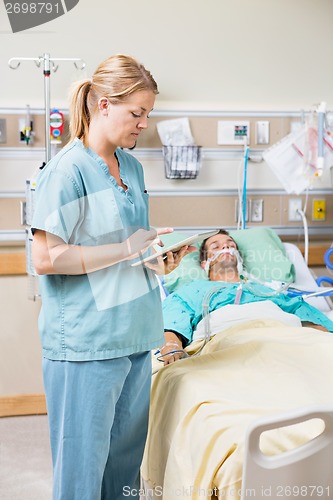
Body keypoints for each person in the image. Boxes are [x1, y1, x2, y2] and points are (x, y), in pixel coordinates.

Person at [31, 54, 191, 500]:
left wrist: (155, 261)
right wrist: (125, 249)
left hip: (136, 337)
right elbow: (47, 257)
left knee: (123, 472)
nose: (143, 124)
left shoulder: (133, 169)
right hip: (86, 345)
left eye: (148, 115)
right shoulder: (67, 171)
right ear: (103, 104)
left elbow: (127, 250)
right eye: (136, 113)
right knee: (82, 474)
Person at [160, 229, 333, 365]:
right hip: (229, 348)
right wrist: (172, 348)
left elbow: (309, 319)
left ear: (239, 258)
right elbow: (172, 324)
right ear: (204, 263)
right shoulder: (194, 290)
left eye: (230, 245)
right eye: (216, 247)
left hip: (287, 341)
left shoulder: (267, 290)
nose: (226, 248)